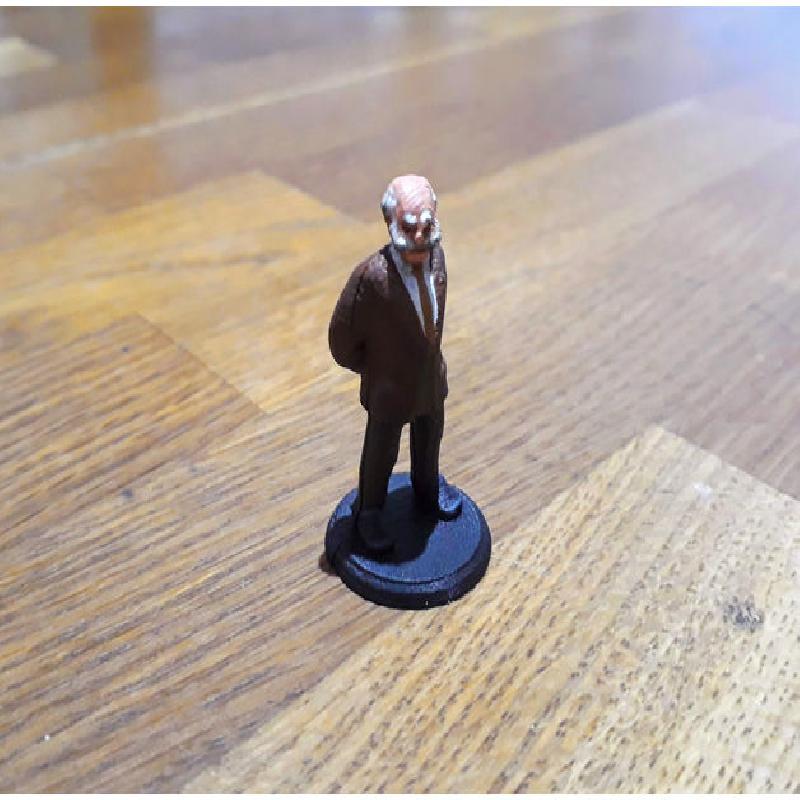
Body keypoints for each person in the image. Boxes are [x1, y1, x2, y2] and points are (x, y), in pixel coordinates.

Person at [328, 174, 462, 551]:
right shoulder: (372, 277)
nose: (419, 236)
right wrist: (377, 371)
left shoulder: (438, 259)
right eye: (408, 226)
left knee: (429, 440)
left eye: (427, 225)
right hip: (389, 389)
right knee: (381, 452)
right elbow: (342, 339)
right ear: (390, 223)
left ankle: (427, 490)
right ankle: (370, 511)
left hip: (429, 380)